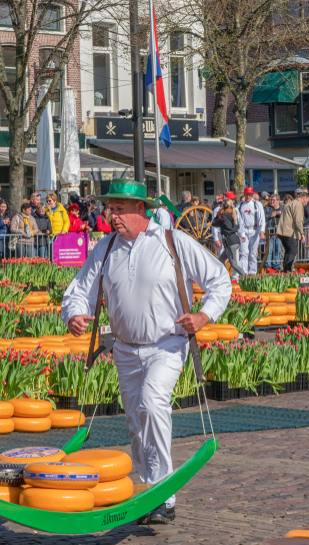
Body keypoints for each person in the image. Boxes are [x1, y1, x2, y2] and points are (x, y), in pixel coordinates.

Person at [62, 179, 231, 526]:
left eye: (120, 209)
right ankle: (148, 487)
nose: (112, 216)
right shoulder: (106, 247)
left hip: (167, 345)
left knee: (153, 403)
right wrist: (73, 314)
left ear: (141, 210)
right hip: (124, 350)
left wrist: (203, 315)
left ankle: (163, 495)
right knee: (136, 422)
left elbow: (219, 280)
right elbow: (79, 288)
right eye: (111, 209)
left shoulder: (172, 241)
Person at [213, 199, 248, 277]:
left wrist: (218, 215)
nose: (220, 207)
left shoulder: (224, 216)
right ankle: (225, 277)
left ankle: (246, 276)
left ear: (225, 206)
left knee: (234, 264)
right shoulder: (233, 214)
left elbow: (214, 223)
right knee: (221, 260)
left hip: (230, 242)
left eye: (222, 205)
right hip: (232, 241)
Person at [276, 187, 307, 272]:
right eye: (306, 201)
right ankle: (288, 270)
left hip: (282, 231)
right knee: (293, 250)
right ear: (304, 198)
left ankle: (285, 270)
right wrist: (302, 233)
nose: (306, 203)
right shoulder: (298, 205)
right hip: (289, 232)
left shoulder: (289, 204)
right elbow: (298, 221)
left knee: (288, 250)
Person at [237, 187, 264, 274]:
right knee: (244, 253)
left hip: (254, 230)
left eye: (249, 194)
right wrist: (238, 232)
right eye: (246, 194)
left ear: (252, 195)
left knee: (253, 254)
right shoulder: (239, 206)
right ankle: (243, 274)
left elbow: (262, 218)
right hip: (243, 231)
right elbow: (236, 220)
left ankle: (252, 274)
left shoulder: (257, 204)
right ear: (244, 195)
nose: (248, 196)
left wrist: (262, 230)